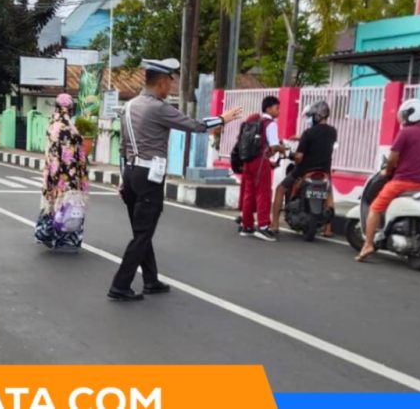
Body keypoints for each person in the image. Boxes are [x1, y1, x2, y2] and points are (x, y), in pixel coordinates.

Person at [108, 58, 243, 301]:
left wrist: (122, 179)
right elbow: (196, 125)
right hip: (149, 177)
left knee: (142, 232)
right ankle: (120, 285)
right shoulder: (157, 108)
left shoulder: (130, 106)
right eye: (170, 81)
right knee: (143, 234)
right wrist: (223, 118)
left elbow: (123, 147)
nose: (171, 86)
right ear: (160, 82)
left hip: (130, 174)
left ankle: (150, 280)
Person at [356, 98, 420, 262]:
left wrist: (387, 171)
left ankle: (368, 244)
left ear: (410, 114)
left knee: (376, 207)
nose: (402, 117)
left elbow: (392, 157)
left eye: (404, 114)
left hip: (403, 181)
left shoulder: (405, 132)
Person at [270, 101, 338, 237]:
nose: (310, 119)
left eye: (311, 116)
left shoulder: (308, 133)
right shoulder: (333, 132)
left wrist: (290, 154)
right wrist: (300, 138)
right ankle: (328, 229)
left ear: (317, 116)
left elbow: (299, 157)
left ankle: (275, 224)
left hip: (304, 170)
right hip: (324, 171)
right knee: (329, 194)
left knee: (280, 189)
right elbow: (320, 139)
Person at [35, 93, 90, 251]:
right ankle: (65, 239)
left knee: (54, 205)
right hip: (66, 174)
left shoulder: (53, 124)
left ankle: (48, 235)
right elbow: (71, 155)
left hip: (52, 173)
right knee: (67, 206)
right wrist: (74, 177)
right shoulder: (67, 127)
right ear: (70, 109)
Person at [239, 96, 287, 242]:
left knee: (249, 193)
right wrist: (283, 148)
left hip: (248, 161)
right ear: (268, 108)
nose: (278, 111)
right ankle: (263, 226)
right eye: (276, 108)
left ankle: (246, 225)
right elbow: (273, 146)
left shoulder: (255, 121)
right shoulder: (270, 124)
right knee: (263, 193)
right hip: (260, 162)